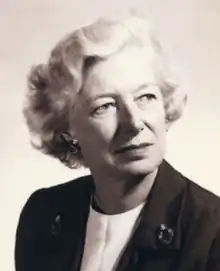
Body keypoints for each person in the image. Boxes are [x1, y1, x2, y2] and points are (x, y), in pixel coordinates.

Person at [15, 11, 220, 271]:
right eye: (106, 106)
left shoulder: (211, 232)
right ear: (66, 129)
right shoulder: (43, 215)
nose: (134, 122)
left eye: (145, 97)